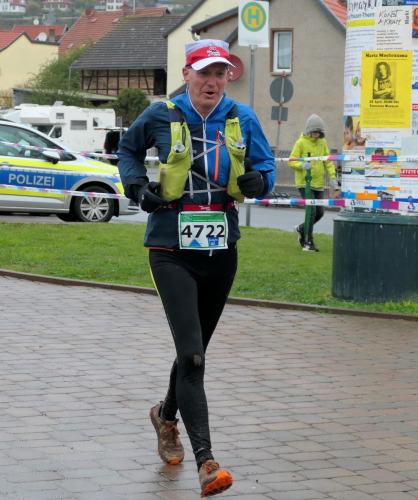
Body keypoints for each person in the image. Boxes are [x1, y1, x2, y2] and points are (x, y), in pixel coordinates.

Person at [116, 38, 275, 498]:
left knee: (195, 350)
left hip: (220, 248)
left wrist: (259, 181)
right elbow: (127, 151)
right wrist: (137, 187)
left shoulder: (242, 117)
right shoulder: (161, 114)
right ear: (186, 74)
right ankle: (207, 462)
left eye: (220, 73)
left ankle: (165, 416)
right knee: (192, 357)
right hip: (170, 246)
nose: (212, 81)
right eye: (204, 72)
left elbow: (266, 171)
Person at [288, 114, 338, 252]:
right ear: (309, 130)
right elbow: (291, 161)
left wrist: (333, 178)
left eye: (319, 132)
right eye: (315, 132)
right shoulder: (300, 143)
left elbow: (328, 161)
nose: (317, 135)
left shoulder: (323, 143)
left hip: (318, 183)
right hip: (305, 183)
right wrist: (302, 165)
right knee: (311, 211)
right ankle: (308, 242)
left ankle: (301, 229)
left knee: (320, 212)